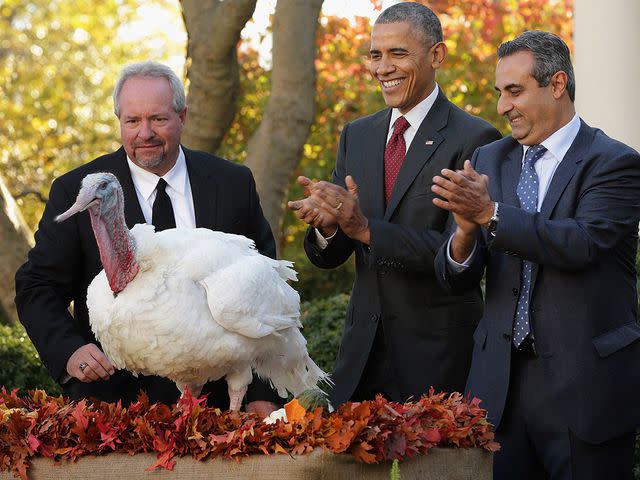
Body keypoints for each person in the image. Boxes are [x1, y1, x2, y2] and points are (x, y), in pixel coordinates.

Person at [15, 61, 280, 417]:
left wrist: (262, 393)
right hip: (115, 408)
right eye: (132, 121)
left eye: (157, 119)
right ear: (119, 121)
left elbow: (267, 295)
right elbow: (37, 285)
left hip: (220, 411)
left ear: (182, 116)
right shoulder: (76, 191)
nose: (145, 133)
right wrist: (70, 352)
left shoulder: (233, 184)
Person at [432, 30, 640, 479]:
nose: (503, 107)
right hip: (499, 388)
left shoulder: (615, 162)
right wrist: (465, 233)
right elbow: (457, 275)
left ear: (557, 84)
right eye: (499, 93)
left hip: (585, 388)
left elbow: (582, 243)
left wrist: (488, 214)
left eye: (514, 91)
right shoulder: (489, 159)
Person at [288, 2, 501, 407]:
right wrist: (328, 227)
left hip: (438, 359)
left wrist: (365, 228)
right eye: (375, 55)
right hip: (361, 356)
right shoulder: (357, 135)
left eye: (398, 53)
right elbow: (333, 250)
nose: (382, 67)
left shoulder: (475, 138)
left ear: (436, 55)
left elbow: (462, 260)